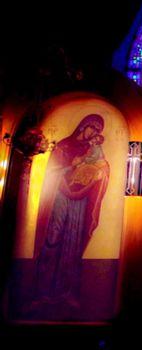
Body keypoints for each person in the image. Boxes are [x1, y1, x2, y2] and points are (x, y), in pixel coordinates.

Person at [31, 114, 110, 310]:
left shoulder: (92, 149)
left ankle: (66, 292)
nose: (93, 132)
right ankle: (42, 291)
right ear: (83, 126)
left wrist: (102, 171)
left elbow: (101, 165)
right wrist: (71, 164)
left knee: (72, 241)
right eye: (91, 127)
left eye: (97, 130)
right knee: (53, 236)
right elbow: (51, 171)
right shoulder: (64, 145)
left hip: (80, 197)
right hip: (59, 193)